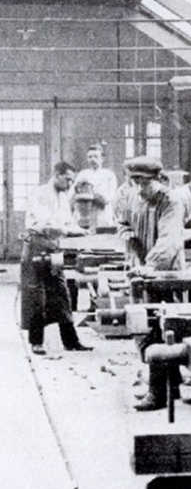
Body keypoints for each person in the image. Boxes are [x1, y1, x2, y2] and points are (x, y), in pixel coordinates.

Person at [121, 157, 188, 412]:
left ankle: (158, 393)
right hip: (141, 272)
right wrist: (129, 239)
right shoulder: (132, 197)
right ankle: (173, 385)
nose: (139, 188)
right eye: (134, 181)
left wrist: (152, 265)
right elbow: (122, 223)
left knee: (161, 330)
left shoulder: (171, 201)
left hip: (165, 274)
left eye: (144, 182)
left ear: (159, 180)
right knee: (145, 330)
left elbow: (170, 240)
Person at [21, 161, 94, 355]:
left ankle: (71, 341)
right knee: (38, 296)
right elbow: (48, 224)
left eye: (72, 180)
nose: (70, 184)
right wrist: (71, 231)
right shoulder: (39, 194)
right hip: (36, 244)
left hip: (54, 246)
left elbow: (67, 222)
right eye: (67, 179)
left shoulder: (63, 197)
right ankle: (37, 342)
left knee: (62, 294)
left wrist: (83, 232)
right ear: (56, 175)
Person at [73, 144, 118, 230]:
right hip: (85, 214)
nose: (92, 159)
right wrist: (78, 187)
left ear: (102, 159)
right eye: (90, 157)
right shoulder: (82, 174)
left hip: (102, 213)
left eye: (96, 156)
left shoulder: (109, 175)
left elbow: (110, 197)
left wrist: (92, 195)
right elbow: (73, 194)